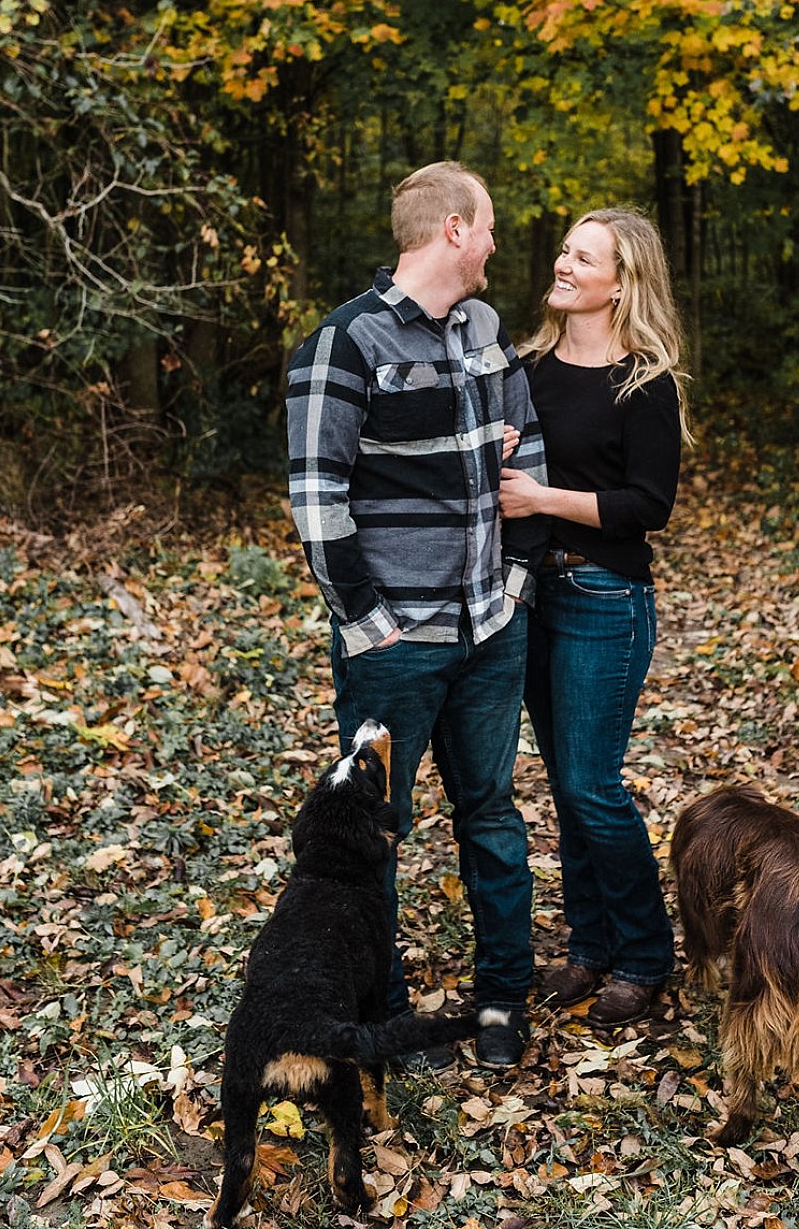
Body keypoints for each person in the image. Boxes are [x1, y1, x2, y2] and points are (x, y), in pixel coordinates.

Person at [286, 162, 549, 1069]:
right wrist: (365, 622)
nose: (494, 244)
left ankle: (502, 1002)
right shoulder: (345, 343)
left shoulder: (485, 327)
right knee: (374, 839)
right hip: (395, 646)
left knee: (492, 816)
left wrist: (515, 581)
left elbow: (532, 451)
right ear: (451, 230)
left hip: (489, 629)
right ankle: (389, 1018)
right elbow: (316, 499)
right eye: (487, 227)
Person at [498, 207, 690, 1026]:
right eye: (565, 251)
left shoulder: (644, 382)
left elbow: (650, 505)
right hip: (531, 595)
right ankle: (589, 947)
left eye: (584, 256)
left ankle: (645, 956)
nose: (564, 264)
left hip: (604, 599)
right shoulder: (529, 367)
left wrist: (542, 497)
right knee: (569, 790)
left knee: (592, 784)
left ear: (623, 281)